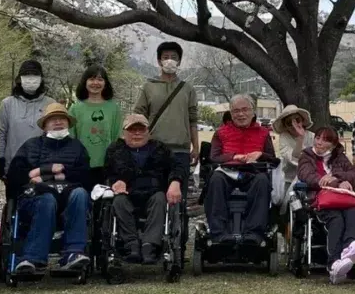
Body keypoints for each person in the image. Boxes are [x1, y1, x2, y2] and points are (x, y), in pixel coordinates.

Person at [6, 103, 92, 273]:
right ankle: (33, 257)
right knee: (47, 200)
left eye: (62, 119)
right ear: (44, 125)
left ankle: (73, 253)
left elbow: (85, 176)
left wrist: (46, 174)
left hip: (68, 197)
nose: (58, 122)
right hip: (35, 198)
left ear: (68, 123)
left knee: (81, 193)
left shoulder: (77, 147)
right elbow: (14, 176)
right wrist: (46, 170)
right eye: (53, 119)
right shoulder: (30, 145)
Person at [296, 127, 355, 284]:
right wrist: (336, 183)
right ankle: (334, 263)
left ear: (333, 145)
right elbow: (307, 175)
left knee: (353, 211)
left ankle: (351, 245)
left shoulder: (339, 157)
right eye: (318, 138)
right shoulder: (307, 156)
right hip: (320, 199)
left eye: (325, 140)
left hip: (343, 198)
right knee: (336, 219)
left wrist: (339, 178)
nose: (319, 142)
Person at [104, 114, 187, 264]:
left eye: (141, 129)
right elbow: (107, 174)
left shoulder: (160, 148)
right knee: (118, 202)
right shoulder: (115, 150)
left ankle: (150, 245)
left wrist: (175, 182)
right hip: (128, 192)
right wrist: (115, 182)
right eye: (132, 130)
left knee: (160, 199)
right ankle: (131, 245)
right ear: (124, 132)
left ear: (148, 132)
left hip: (154, 191)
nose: (137, 133)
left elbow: (177, 167)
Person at [204, 94, 277, 244]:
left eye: (245, 110)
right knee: (215, 179)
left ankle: (254, 233)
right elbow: (214, 157)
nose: (241, 114)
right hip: (227, 172)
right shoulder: (221, 132)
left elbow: (273, 159)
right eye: (236, 111)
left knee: (263, 181)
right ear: (231, 113)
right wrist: (233, 156)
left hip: (253, 172)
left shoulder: (263, 132)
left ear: (253, 111)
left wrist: (260, 154)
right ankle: (219, 233)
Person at [133, 41, 200, 179]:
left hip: (181, 150)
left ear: (179, 61)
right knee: (155, 194)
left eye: (174, 57)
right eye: (165, 57)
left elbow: (193, 120)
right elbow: (138, 117)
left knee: (179, 195)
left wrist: (196, 147)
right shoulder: (149, 87)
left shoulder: (187, 89)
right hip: (154, 148)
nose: (170, 60)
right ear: (159, 61)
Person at [0, 60, 56, 181]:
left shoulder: (51, 104)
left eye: (35, 75)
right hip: (13, 166)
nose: (31, 79)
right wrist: (0, 160)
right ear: (19, 79)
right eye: (27, 74)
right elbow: (0, 133)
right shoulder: (7, 104)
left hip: (42, 167)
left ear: (41, 78)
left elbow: (56, 134)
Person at [68, 65, 122, 188]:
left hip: (106, 165)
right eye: (91, 79)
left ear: (105, 83)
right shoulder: (75, 108)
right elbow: (71, 138)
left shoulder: (114, 108)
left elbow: (117, 137)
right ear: (85, 82)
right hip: (82, 165)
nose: (95, 83)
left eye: (100, 79)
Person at [273, 105, 315, 187]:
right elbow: (293, 159)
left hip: (311, 178)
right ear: (285, 126)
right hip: (289, 180)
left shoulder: (312, 136)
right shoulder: (284, 137)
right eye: (289, 123)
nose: (294, 125)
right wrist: (300, 138)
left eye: (297, 120)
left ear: (302, 121)